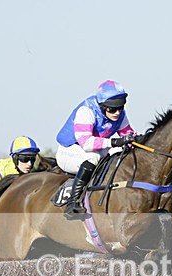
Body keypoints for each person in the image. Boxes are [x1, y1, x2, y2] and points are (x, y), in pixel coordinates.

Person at [55, 80, 139, 219]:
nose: (117, 113)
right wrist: (114, 142)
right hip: (69, 151)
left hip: (94, 150)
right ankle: (72, 203)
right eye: (112, 109)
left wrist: (136, 140)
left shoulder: (120, 114)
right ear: (102, 106)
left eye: (120, 107)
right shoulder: (86, 111)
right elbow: (86, 143)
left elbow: (128, 134)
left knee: (119, 155)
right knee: (93, 158)